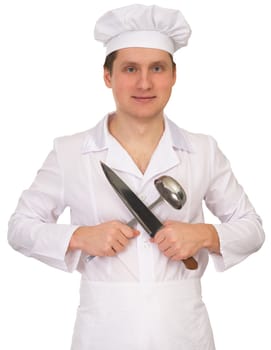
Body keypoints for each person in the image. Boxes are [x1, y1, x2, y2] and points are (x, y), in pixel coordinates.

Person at [8, 4, 265, 350]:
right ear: (107, 76)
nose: (145, 82)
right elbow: (19, 228)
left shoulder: (203, 150)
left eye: (157, 68)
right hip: (102, 334)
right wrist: (79, 237)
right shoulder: (70, 152)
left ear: (174, 75)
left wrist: (205, 234)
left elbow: (252, 229)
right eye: (130, 68)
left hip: (184, 334)